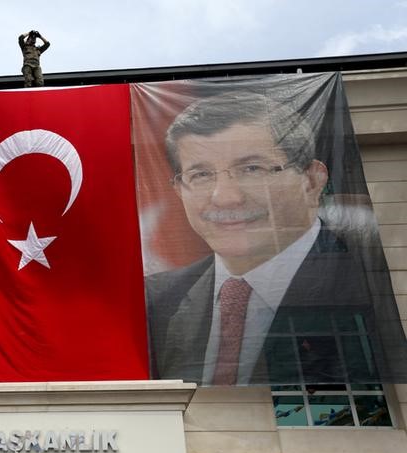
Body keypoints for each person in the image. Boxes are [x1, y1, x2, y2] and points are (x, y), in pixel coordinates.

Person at [146, 91, 396, 386]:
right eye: (201, 175)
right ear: (179, 190)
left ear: (312, 180)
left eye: (252, 169)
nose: (226, 198)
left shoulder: (369, 281)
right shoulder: (155, 298)